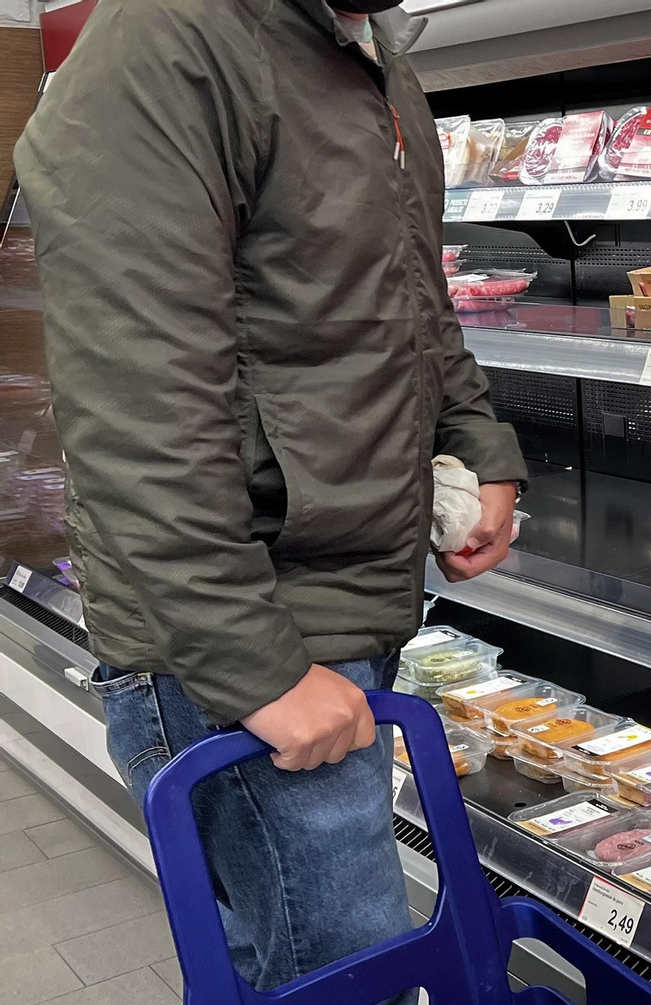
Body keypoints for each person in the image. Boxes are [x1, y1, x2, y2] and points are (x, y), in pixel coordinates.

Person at [13, 0, 526, 1000]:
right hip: (241, 633)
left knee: (291, 960)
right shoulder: (168, 40)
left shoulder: (365, 53)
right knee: (351, 973)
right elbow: (134, 394)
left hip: (347, 595)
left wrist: (475, 442)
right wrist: (257, 670)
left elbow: (409, 299)